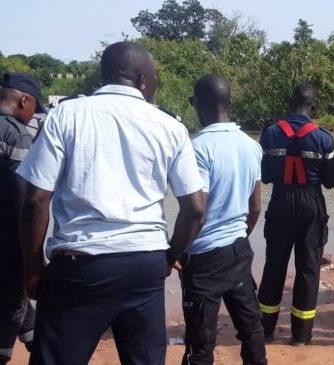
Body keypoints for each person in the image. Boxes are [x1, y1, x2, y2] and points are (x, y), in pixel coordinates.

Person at [17, 41, 206, 364]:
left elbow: (36, 200)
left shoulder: (67, 115)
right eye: (155, 77)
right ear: (143, 80)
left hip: (81, 265)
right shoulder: (171, 127)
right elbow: (196, 209)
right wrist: (169, 256)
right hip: (144, 265)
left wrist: (33, 266)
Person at [180, 74, 267, 365]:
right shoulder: (251, 145)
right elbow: (254, 208)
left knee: (200, 341)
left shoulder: (197, 148)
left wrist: (175, 252)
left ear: (199, 105)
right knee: (251, 327)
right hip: (238, 250)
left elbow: (196, 212)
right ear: (229, 103)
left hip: (204, 257)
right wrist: (239, 235)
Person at [257, 84, 334, 346]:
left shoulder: (269, 134)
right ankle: (301, 335)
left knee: (274, 265)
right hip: (311, 202)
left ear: (290, 102)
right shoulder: (324, 138)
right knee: (308, 269)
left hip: (281, 201)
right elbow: (331, 181)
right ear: (313, 106)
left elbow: (266, 176)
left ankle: (265, 328)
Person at [0, 72, 45, 364]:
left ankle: (38, 345)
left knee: (26, 316)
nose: (33, 117)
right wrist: (32, 254)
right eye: (34, 110)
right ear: (24, 100)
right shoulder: (15, 133)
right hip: (7, 240)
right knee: (10, 308)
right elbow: (25, 198)